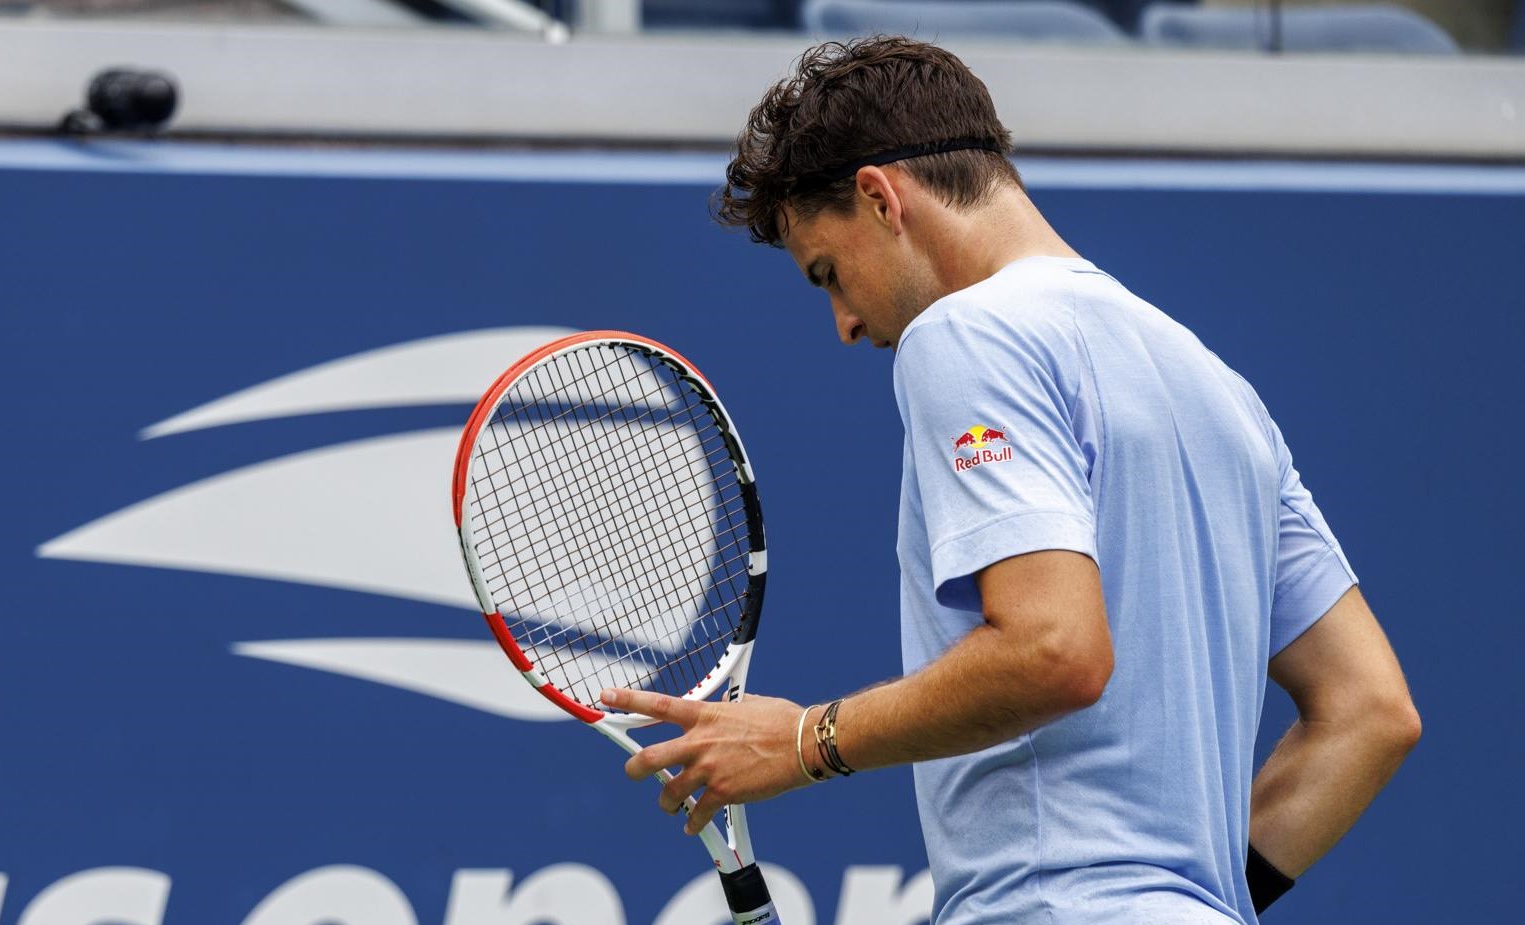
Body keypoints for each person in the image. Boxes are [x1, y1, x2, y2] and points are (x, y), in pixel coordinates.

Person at [600, 36, 1420, 924]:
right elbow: (1369, 711)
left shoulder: (965, 332)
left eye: (829, 274)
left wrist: (805, 740)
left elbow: (1054, 650)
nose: (842, 322)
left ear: (880, 198)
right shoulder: (1220, 390)